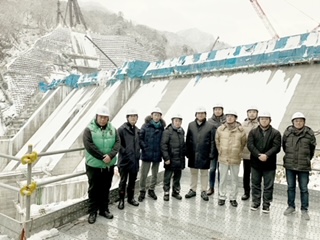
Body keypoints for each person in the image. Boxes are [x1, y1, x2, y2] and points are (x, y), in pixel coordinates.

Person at [83, 105, 120, 224]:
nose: (103, 119)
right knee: (94, 189)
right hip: (94, 166)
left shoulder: (113, 129)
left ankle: (104, 209)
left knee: (105, 188)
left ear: (108, 118)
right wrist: (102, 157)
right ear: (96, 117)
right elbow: (89, 146)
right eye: (101, 117)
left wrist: (111, 156)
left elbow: (117, 143)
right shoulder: (89, 129)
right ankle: (92, 212)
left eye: (105, 117)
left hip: (108, 165)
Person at [282, 112, 316, 220]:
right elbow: (284, 147)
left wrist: (306, 159)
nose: (298, 122)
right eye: (296, 121)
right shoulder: (287, 133)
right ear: (292, 122)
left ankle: (304, 209)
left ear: (304, 122)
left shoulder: (309, 134)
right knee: (290, 187)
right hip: (290, 165)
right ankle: (291, 206)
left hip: (303, 166)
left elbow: (312, 150)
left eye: (301, 121)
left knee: (304, 189)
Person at [247, 111, 281, 214]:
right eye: (262, 119)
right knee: (255, 184)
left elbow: (277, 147)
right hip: (256, 163)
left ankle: (266, 204)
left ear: (270, 120)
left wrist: (266, 155)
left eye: (266, 119)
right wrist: (258, 155)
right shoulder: (253, 132)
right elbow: (250, 145)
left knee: (268, 185)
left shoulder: (275, 133)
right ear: (259, 120)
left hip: (269, 163)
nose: (264, 121)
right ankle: (256, 202)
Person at [215, 110, 246, 207]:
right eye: (228, 116)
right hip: (223, 157)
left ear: (235, 118)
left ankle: (233, 198)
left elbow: (243, 143)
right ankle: (222, 197)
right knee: (223, 178)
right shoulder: (221, 129)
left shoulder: (241, 130)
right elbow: (217, 140)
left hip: (235, 158)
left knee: (234, 179)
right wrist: (220, 150)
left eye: (232, 116)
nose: (229, 118)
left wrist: (238, 152)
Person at [185, 106, 216, 201]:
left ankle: (203, 191)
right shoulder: (191, 125)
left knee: (204, 173)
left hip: (204, 154)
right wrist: (187, 152)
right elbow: (188, 140)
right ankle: (193, 190)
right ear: (196, 115)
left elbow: (212, 141)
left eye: (202, 113)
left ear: (205, 115)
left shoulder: (210, 126)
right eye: (198, 113)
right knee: (193, 173)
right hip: (193, 153)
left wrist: (211, 153)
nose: (200, 115)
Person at [138, 107, 166, 202]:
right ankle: (142, 191)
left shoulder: (162, 128)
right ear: (152, 115)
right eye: (155, 115)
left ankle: (151, 189)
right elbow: (140, 138)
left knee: (154, 174)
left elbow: (163, 141)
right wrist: (144, 147)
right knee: (143, 174)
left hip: (157, 153)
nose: (157, 117)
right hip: (147, 153)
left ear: (160, 116)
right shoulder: (145, 126)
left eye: (158, 115)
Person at [117, 108, 141, 210]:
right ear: (127, 118)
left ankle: (130, 198)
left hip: (134, 161)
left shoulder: (137, 130)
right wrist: (126, 152)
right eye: (131, 116)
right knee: (123, 181)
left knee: (132, 181)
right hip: (124, 161)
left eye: (135, 117)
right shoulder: (121, 129)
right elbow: (118, 144)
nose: (133, 118)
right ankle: (121, 200)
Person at [161, 113, 186, 201]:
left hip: (179, 158)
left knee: (177, 177)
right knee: (167, 176)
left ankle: (175, 192)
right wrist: (166, 158)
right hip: (170, 159)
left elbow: (183, 145)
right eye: (176, 121)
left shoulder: (181, 131)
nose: (178, 123)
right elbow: (163, 145)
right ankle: (166, 192)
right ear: (172, 121)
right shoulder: (167, 131)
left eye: (179, 121)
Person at [207, 103, 226, 195]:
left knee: (221, 170)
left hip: (223, 149)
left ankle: (220, 189)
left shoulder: (227, 121)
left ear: (222, 110)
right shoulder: (209, 121)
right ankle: (211, 187)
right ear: (213, 111)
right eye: (216, 109)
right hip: (213, 149)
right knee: (212, 169)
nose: (218, 111)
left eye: (219, 109)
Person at [241, 106, 259, 201]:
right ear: (247, 113)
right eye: (250, 112)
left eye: (254, 112)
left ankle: (256, 193)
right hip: (246, 153)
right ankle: (246, 192)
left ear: (257, 114)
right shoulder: (243, 124)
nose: (252, 113)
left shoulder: (260, 124)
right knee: (246, 174)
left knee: (256, 174)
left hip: (256, 154)